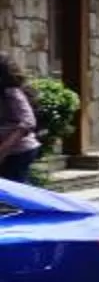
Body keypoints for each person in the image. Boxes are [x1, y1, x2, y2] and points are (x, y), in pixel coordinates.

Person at [0, 57, 40, 186]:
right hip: (7, 151)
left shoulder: (11, 92)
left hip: (19, 150)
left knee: (12, 191)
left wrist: (4, 149)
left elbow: (28, 121)